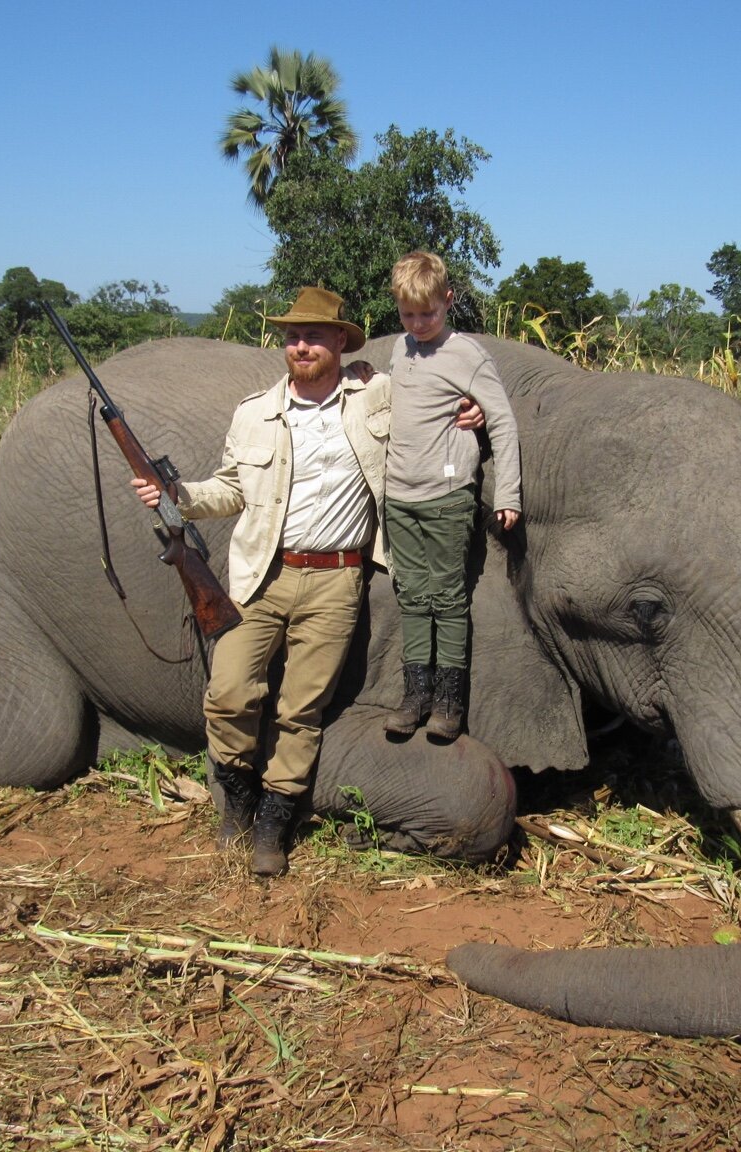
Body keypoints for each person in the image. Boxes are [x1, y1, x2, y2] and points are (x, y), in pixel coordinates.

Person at [132, 286, 482, 876]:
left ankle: (276, 815)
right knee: (229, 693)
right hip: (260, 574)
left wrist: (467, 408)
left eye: (315, 336)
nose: (301, 345)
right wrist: (178, 497)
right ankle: (237, 797)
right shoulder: (253, 412)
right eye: (293, 336)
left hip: (336, 580)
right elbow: (233, 488)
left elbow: (429, 403)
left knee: (302, 709)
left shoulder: (375, 395)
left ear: (339, 344)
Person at [382, 251, 521, 741]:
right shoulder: (399, 350)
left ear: (448, 300)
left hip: (446, 495)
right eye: (408, 314)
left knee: (447, 597)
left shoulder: (467, 355)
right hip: (398, 496)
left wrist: (508, 492)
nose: (418, 324)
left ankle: (448, 703)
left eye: (428, 313)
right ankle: (414, 694)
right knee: (413, 597)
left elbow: (501, 420)